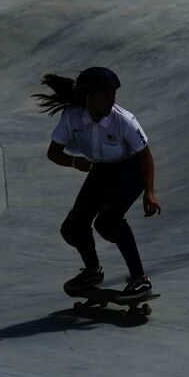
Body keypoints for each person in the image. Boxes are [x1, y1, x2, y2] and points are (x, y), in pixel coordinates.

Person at [32, 67, 161, 302]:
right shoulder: (72, 117)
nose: (111, 100)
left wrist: (149, 192)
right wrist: (74, 162)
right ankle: (92, 271)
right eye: (105, 95)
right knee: (72, 227)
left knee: (108, 222)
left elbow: (146, 156)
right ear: (89, 96)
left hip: (131, 169)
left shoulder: (124, 120)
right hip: (102, 169)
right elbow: (53, 153)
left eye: (114, 94)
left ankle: (139, 278)